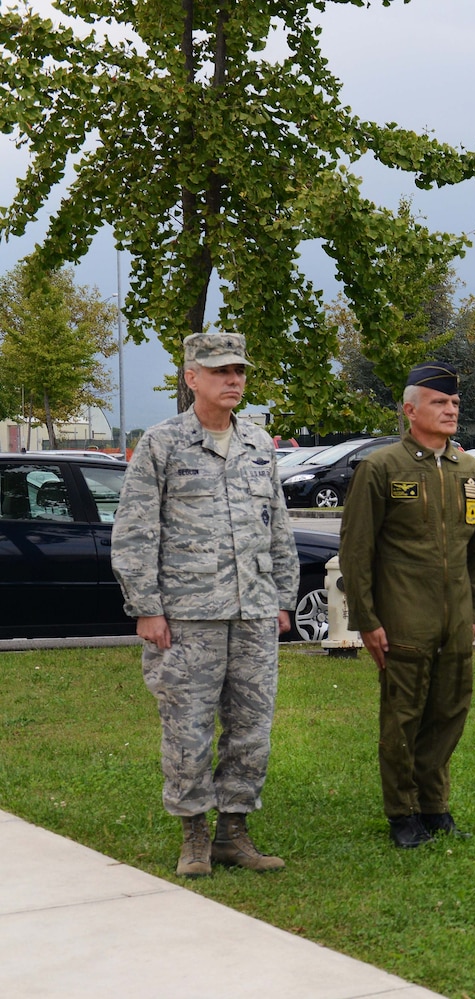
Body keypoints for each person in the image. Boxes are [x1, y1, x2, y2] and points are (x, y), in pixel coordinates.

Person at [113, 331, 297, 876]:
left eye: (239, 371)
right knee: (186, 726)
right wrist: (147, 607)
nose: (233, 380)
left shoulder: (260, 444)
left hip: (254, 612)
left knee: (251, 726)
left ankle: (233, 832)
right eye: (220, 371)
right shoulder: (162, 443)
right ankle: (194, 834)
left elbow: (278, 527)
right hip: (188, 614)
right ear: (192, 377)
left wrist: (283, 599)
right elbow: (135, 529)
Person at [339, 360, 475, 848]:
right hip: (404, 617)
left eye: (454, 404)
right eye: (439, 403)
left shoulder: (468, 468)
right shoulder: (381, 467)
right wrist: (366, 619)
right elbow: (357, 550)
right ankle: (402, 814)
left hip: (455, 619)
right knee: (403, 718)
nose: (450, 411)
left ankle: (435, 806)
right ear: (410, 410)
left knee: (449, 713)